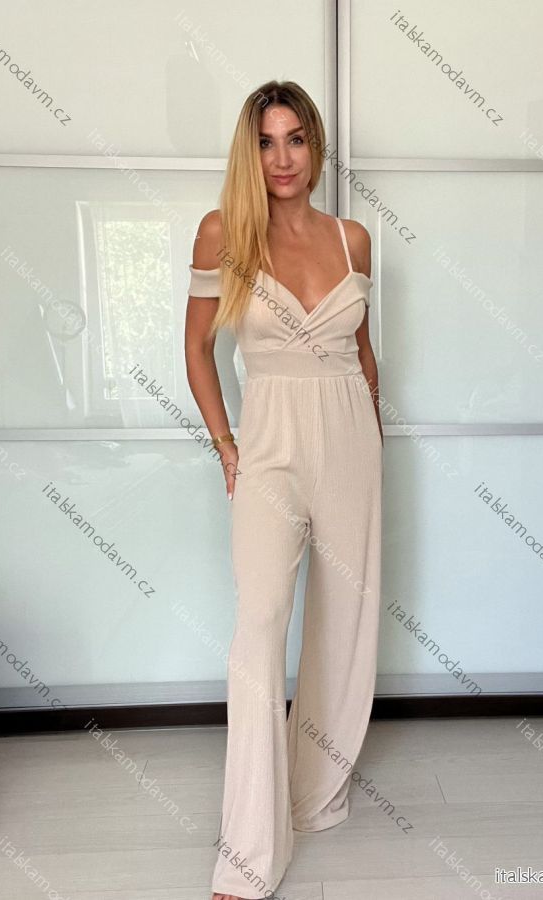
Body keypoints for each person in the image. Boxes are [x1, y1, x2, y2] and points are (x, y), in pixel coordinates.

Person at [184, 80, 383, 900]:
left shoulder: (352, 239)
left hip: (350, 441)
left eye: (295, 138)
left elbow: (364, 355)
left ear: (315, 144)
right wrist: (226, 445)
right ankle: (248, 848)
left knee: (345, 623)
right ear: (250, 150)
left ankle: (312, 793)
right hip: (268, 442)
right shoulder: (223, 232)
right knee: (261, 622)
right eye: (266, 142)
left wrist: (372, 439)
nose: (282, 158)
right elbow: (196, 349)